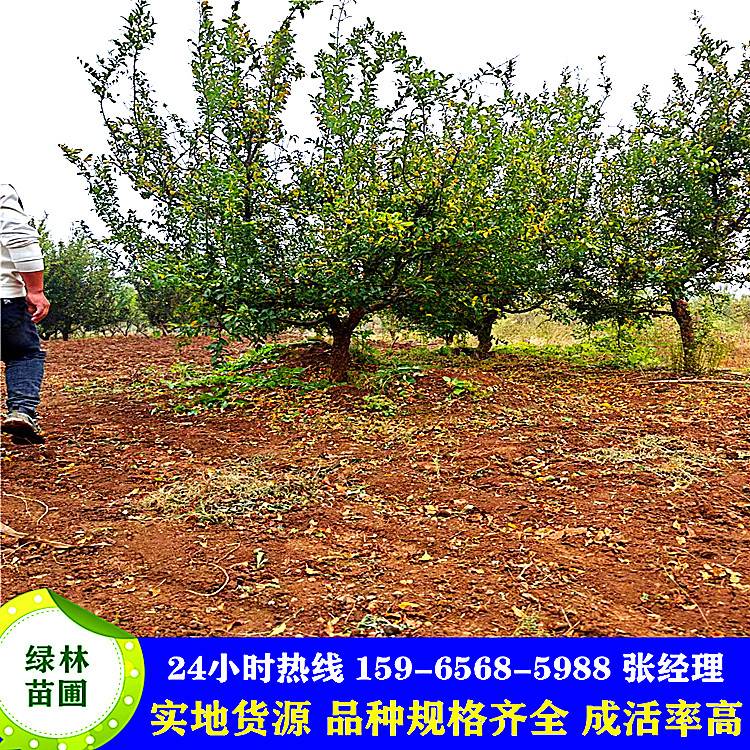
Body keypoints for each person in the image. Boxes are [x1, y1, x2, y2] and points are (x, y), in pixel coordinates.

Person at [0, 183, 50, 443]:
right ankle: (21, 410)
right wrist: (35, 290)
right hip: (4, 296)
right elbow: (19, 237)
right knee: (23, 354)